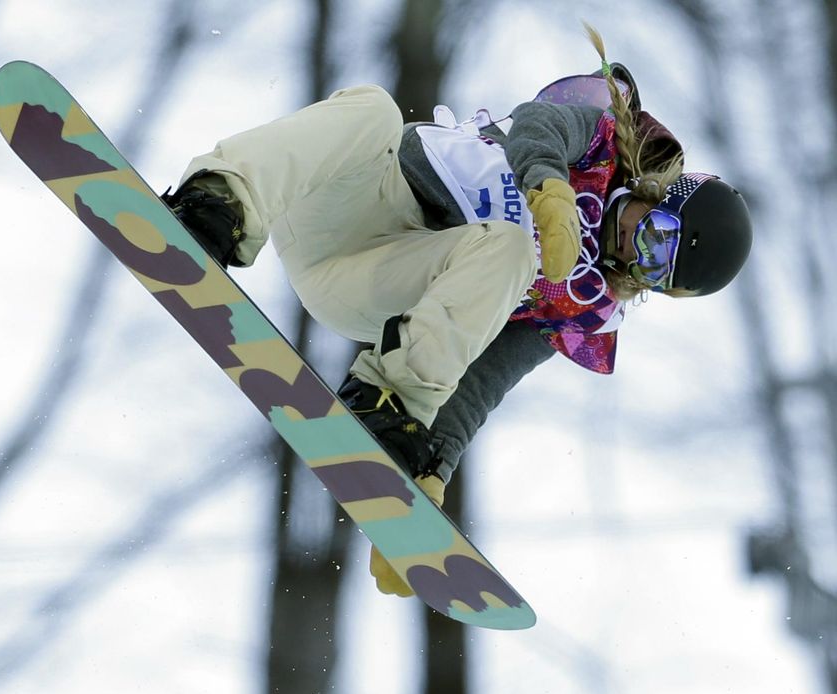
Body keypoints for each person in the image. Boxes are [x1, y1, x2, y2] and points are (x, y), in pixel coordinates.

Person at [163, 25, 752, 597]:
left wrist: (424, 477)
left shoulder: (582, 304)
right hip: (348, 200)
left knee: (509, 248)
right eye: (659, 236)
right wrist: (549, 190)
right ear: (656, 195)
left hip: (373, 285)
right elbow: (537, 125)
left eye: (656, 269)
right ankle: (220, 200)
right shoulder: (595, 140)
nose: (638, 254)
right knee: (372, 108)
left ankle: (388, 406)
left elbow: (482, 380)